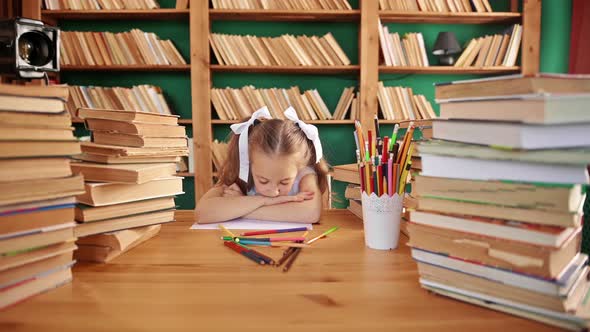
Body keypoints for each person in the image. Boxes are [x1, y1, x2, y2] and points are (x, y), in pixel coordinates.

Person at [197, 106, 329, 224]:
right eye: (263, 181)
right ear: (247, 164)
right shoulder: (240, 172)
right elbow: (202, 213)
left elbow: (311, 213)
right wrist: (264, 201)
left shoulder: (305, 174)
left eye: (284, 182)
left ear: (300, 167)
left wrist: (240, 206)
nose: (273, 192)